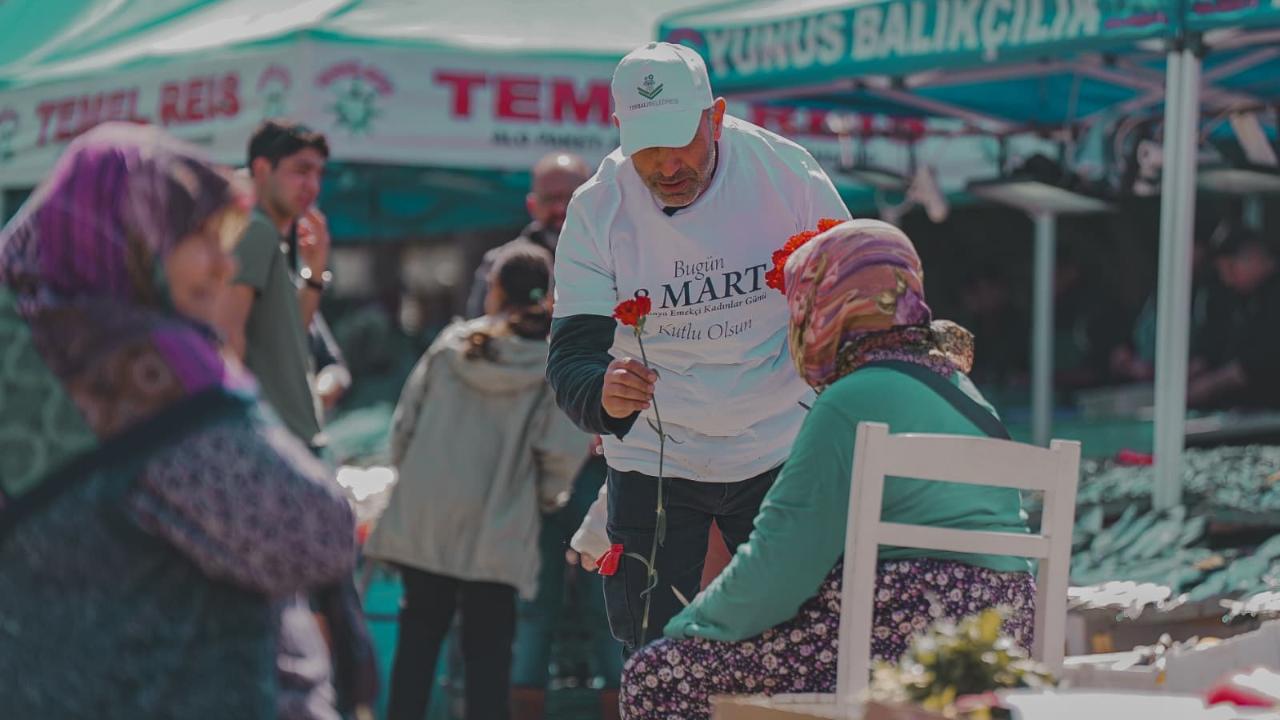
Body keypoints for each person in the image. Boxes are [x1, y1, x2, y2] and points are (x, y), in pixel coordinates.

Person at [0, 124, 356, 719]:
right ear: (128, 238)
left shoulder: (26, 354)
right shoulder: (150, 379)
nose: (222, 264)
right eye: (195, 236)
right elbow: (317, 534)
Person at [619, 219, 1036, 719]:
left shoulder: (853, 398)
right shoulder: (967, 394)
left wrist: (687, 625)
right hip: (997, 638)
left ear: (823, 304)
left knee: (657, 674)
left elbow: (779, 568)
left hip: (898, 638)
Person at [548, 41, 850, 653]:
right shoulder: (595, 209)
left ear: (715, 116)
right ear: (619, 131)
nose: (665, 167)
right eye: (646, 148)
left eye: (680, 141)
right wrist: (601, 392)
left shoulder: (787, 175)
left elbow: (855, 294)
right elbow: (571, 356)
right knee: (655, 652)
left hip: (780, 441)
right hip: (659, 455)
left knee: (803, 645)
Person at [365, 243, 588, 720]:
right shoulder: (551, 365)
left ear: (495, 289)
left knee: (417, 647)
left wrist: (420, 483)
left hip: (429, 520)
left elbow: (403, 429)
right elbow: (561, 452)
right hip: (501, 525)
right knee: (489, 656)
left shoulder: (451, 347)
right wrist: (542, 501)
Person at [217, 119, 331, 449]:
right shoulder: (257, 231)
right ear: (262, 170)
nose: (312, 185)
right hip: (271, 443)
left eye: (318, 174)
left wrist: (314, 271)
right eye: (301, 170)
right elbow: (228, 336)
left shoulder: (266, 234)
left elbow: (290, 331)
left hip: (289, 440)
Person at [465, 152, 592, 319]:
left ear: (593, 200)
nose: (560, 208)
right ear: (531, 205)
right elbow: (479, 327)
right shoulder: (499, 262)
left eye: (572, 197)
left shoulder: (616, 256)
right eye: (549, 199)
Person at [1187, 229, 1280, 409]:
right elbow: (1219, 343)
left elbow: (1260, 360)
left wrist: (1210, 385)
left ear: (1254, 258)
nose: (1227, 280)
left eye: (1230, 268)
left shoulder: (1274, 297)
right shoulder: (1240, 298)